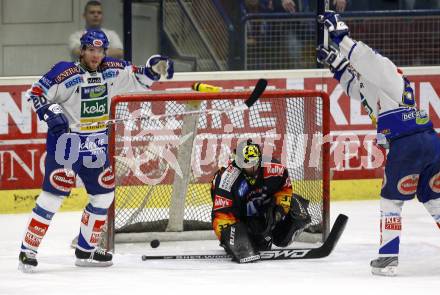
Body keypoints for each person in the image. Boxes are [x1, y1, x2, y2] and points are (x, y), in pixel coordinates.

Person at [19, 29, 174, 272]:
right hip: (67, 145)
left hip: (96, 145)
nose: (95, 55)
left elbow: (141, 78)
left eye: (100, 50)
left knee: (103, 196)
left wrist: (155, 69)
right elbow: (35, 93)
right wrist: (51, 113)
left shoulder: (112, 68)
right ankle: (27, 251)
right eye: (90, 49)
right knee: (53, 197)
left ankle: (86, 250)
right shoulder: (65, 71)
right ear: (81, 50)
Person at [317, 11, 440, 276]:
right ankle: (388, 258)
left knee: (390, 202)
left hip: (407, 144)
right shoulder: (380, 91)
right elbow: (357, 87)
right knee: (435, 200)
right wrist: (335, 63)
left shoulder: (389, 73)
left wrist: (341, 36)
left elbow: (368, 61)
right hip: (430, 142)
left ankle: (388, 259)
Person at [210, 139, 312, 263]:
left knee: (282, 238)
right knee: (254, 242)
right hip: (238, 211)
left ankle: (299, 207)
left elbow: (284, 189)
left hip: (262, 204)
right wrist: (230, 238)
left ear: (259, 159)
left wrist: (280, 210)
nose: (248, 168)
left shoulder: (275, 169)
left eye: (252, 164)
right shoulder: (226, 179)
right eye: (244, 164)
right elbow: (222, 215)